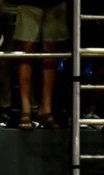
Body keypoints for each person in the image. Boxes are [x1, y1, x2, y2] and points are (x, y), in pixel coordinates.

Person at [14, 0, 69, 130]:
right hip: (28, 4)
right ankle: (25, 110)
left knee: (50, 56)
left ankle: (46, 109)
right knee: (25, 55)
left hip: (55, 5)